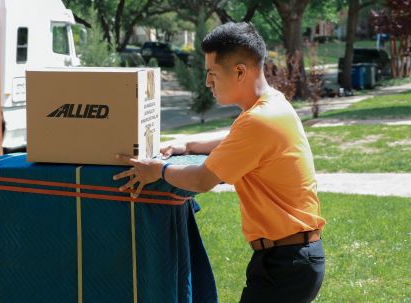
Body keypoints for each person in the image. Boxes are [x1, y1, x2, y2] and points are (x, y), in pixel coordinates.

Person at [113, 22, 326, 303]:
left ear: (239, 71)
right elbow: (233, 139)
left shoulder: (260, 119)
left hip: (287, 262)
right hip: (289, 257)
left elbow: (202, 180)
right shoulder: (271, 105)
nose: (207, 82)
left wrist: (158, 171)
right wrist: (186, 145)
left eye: (212, 73)